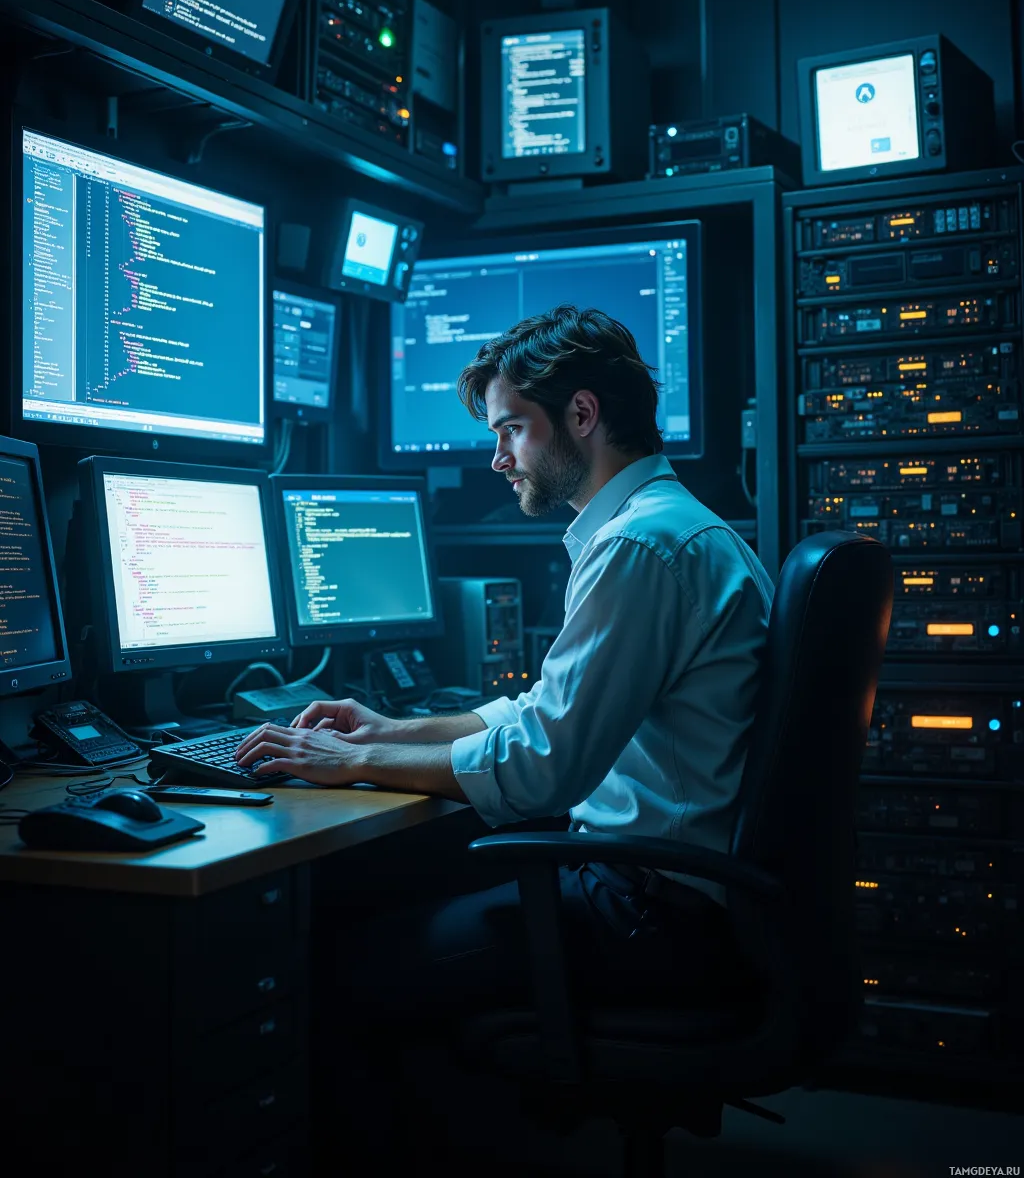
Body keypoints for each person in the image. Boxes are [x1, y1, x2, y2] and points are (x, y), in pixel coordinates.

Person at [235, 304, 773, 1017]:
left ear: (582, 413)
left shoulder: (638, 548)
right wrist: (386, 732)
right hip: (665, 893)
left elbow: (541, 767)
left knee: (334, 965)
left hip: (648, 914)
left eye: (512, 429)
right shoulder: (674, 530)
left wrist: (352, 764)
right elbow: (539, 713)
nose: (497, 458)